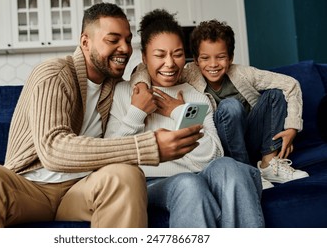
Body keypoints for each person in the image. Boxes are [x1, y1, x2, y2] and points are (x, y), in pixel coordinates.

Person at [0, 3, 203, 228]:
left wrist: (145, 82)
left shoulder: (115, 85)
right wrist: (149, 146)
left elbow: (147, 69)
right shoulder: (55, 73)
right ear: (85, 42)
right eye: (113, 40)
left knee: (126, 175)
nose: (124, 48)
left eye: (127, 39)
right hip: (29, 187)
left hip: (82, 189)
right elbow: (53, 149)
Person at [105, 9, 264, 227]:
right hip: (148, 183)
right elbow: (110, 154)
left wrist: (179, 112)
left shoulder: (196, 94)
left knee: (229, 166)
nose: (170, 63)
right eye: (160, 55)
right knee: (188, 183)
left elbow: (211, 156)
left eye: (177, 54)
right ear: (144, 58)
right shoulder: (125, 92)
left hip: (200, 174)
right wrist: (137, 112)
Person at [131, 19, 308, 188]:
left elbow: (290, 84)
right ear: (196, 60)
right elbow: (142, 68)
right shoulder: (190, 73)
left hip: (249, 137)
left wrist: (292, 127)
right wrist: (141, 85)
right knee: (231, 106)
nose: (213, 64)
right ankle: (246, 172)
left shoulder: (244, 73)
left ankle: (268, 165)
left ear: (230, 58)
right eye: (205, 58)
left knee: (274, 94)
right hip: (222, 143)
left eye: (221, 57)